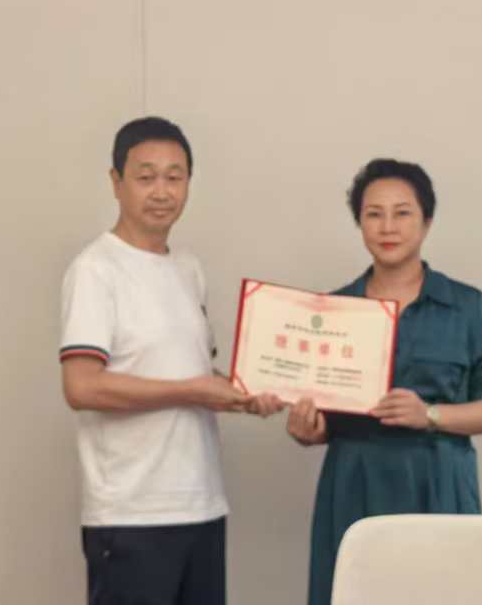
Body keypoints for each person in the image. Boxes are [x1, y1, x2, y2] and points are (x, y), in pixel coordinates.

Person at [60, 116, 283, 605]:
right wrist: (193, 391)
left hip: (202, 504)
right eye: (146, 177)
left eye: (174, 177)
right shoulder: (95, 270)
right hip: (131, 513)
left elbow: (198, 373)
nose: (162, 191)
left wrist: (249, 396)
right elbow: (82, 386)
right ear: (116, 182)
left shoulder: (188, 268)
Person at [286, 158, 482, 605]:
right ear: (359, 223)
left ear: (426, 222)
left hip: (439, 482)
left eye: (402, 213)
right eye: (374, 214)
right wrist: (308, 430)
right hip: (355, 483)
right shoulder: (333, 311)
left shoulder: (467, 306)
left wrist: (429, 414)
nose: (388, 227)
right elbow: (322, 419)